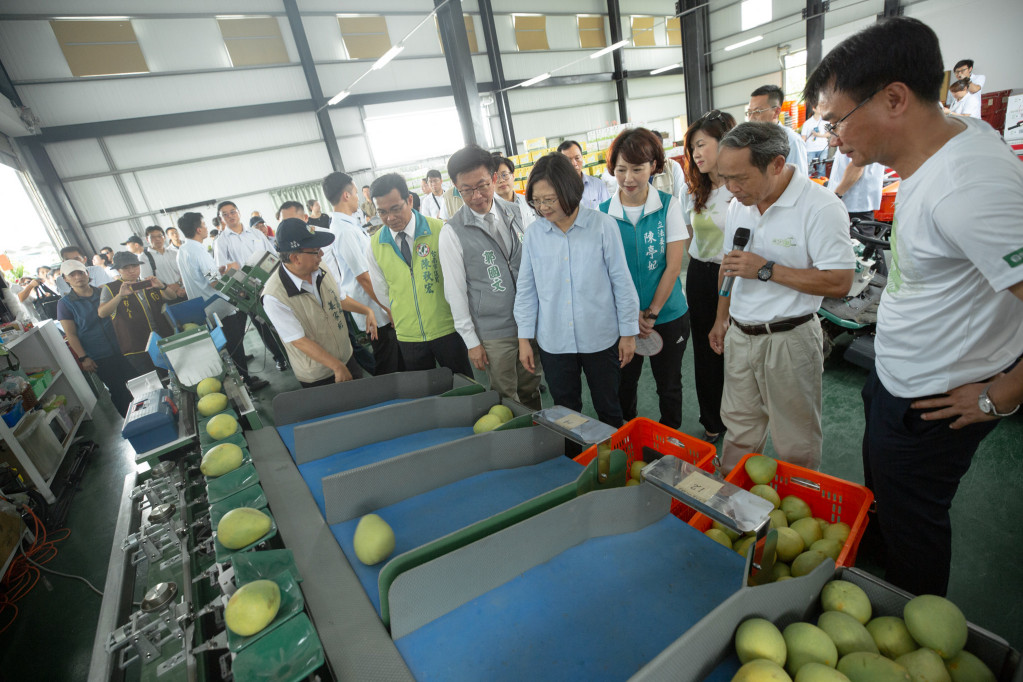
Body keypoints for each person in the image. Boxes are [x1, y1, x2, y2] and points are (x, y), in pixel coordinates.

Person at [805, 16, 1023, 597]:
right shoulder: (947, 145)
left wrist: (1002, 393)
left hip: (936, 404)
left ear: (894, 98)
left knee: (916, 524)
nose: (834, 139)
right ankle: (878, 557)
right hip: (897, 377)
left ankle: (913, 615)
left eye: (837, 121)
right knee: (887, 498)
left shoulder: (969, 187)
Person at [709, 122, 854, 472]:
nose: (731, 188)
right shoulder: (738, 204)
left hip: (789, 339)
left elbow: (840, 282)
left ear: (776, 164)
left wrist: (767, 269)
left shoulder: (820, 207)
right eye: (725, 177)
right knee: (739, 428)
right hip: (741, 336)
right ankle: (732, 506)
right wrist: (721, 316)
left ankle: (799, 513)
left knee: (795, 441)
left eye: (740, 178)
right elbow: (730, 265)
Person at [515, 153, 639, 428]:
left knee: (609, 406)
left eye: (549, 199)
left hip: (601, 336)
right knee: (565, 413)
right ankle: (572, 464)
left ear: (570, 190)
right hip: (555, 341)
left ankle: (612, 463)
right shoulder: (535, 234)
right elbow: (526, 290)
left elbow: (622, 282)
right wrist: (524, 339)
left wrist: (628, 333)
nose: (543, 207)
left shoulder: (603, 226)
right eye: (537, 201)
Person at [599, 127, 691, 429]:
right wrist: (629, 316)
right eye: (621, 169)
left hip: (667, 315)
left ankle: (672, 440)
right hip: (622, 322)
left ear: (654, 166)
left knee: (670, 386)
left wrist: (651, 313)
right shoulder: (602, 215)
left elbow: (673, 267)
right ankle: (630, 436)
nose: (628, 178)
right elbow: (604, 274)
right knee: (623, 385)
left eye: (637, 169)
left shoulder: (669, 206)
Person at [438, 145, 542, 409]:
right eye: (467, 190)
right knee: (506, 396)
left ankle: (540, 440)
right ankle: (515, 445)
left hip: (530, 321)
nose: (476, 196)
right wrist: (472, 341)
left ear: (495, 178)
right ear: (455, 187)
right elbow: (455, 291)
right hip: (495, 331)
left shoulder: (519, 212)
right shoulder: (452, 232)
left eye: (483, 185)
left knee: (531, 385)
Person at [366, 173, 473, 376]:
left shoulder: (441, 230)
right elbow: (382, 292)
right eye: (382, 212)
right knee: (425, 392)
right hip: (409, 335)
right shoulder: (374, 244)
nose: (390, 218)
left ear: (409, 200)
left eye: (395, 209)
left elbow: (459, 279)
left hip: (447, 328)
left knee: (464, 384)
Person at [262, 219, 379, 388]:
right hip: (319, 375)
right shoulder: (274, 296)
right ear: (295, 258)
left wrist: (367, 310)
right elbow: (298, 340)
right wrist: (336, 366)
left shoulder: (320, 267)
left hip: (346, 357)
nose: (321, 255)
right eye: (315, 251)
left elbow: (339, 298)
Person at [681, 110, 738, 443]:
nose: (696, 154)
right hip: (700, 276)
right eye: (692, 149)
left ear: (724, 142)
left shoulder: (740, 192)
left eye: (701, 145)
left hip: (730, 275)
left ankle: (738, 417)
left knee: (733, 350)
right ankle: (712, 419)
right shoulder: (696, 190)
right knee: (705, 351)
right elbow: (689, 240)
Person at [176, 212, 269, 391]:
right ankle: (247, 383)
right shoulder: (199, 250)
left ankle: (245, 379)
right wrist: (230, 270)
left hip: (204, 306)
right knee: (235, 346)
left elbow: (202, 275)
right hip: (219, 307)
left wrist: (218, 270)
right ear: (198, 229)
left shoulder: (184, 250)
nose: (205, 228)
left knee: (232, 344)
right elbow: (214, 282)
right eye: (203, 224)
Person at [322, 171, 403, 375]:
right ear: (346, 195)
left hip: (376, 306)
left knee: (395, 358)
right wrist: (388, 308)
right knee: (389, 362)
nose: (358, 197)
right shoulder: (344, 231)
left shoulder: (348, 224)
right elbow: (364, 277)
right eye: (356, 193)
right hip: (375, 310)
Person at [214, 200, 289, 371]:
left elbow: (272, 254)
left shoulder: (256, 234)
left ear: (239, 212)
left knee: (282, 316)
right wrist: (226, 269)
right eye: (225, 214)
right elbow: (223, 269)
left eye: (232, 212)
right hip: (246, 292)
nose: (230, 216)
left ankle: (293, 349)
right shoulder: (221, 241)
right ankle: (280, 357)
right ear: (221, 219)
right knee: (262, 324)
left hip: (271, 283)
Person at [55, 260, 135, 415]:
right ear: (65, 279)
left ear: (87, 274)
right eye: (72, 274)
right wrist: (83, 357)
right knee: (118, 390)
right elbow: (70, 334)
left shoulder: (102, 292)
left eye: (81, 272)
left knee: (136, 381)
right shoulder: (65, 304)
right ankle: (131, 422)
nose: (78, 277)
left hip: (122, 348)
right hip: (99, 356)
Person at [97, 251, 178, 376]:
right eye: (126, 268)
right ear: (118, 270)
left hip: (163, 339)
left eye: (135, 266)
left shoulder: (149, 282)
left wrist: (161, 286)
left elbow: (172, 297)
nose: (131, 271)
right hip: (137, 347)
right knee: (155, 380)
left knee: (175, 373)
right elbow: (102, 313)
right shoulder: (111, 288)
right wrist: (120, 296)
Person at [746, 85, 809, 175]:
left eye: (757, 112)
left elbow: (799, 179)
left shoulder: (792, 141)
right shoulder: (751, 140)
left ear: (776, 112)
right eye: (749, 112)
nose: (751, 117)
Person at [828, 151, 885, 222]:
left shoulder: (858, 141)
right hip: (852, 204)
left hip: (853, 204)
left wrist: (836, 196)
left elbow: (857, 166)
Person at [557, 140, 610, 209]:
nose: (574, 163)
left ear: (582, 157)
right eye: (568, 160)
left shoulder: (598, 185)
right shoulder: (557, 190)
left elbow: (609, 211)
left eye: (577, 158)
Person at [140, 226, 186, 298]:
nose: (157, 239)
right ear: (147, 239)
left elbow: (184, 272)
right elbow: (146, 280)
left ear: (164, 237)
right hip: (164, 296)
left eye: (159, 236)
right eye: (153, 237)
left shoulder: (174, 253)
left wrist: (178, 285)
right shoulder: (144, 257)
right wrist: (167, 288)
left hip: (183, 291)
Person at [492, 156, 537, 228]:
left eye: (504, 175)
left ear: (513, 176)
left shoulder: (527, 200)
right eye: (496, 177)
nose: (501, 180)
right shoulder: (490, 209)